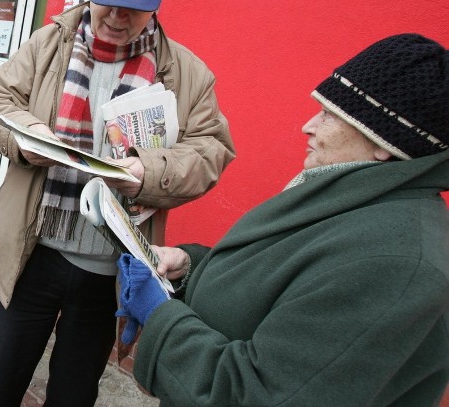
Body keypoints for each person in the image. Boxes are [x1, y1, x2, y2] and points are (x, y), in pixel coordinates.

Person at [0, 0, 236, 406]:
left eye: (132, 8)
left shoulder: (187, 73)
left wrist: (148, 171)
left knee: (73, 394)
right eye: (108, 2)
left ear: (155, 6)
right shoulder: (48, 44)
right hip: (31, 253)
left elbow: (212, 149)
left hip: (109, 270)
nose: (116, 17)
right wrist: (30, 140)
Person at [116, 33, 449, 407]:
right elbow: (285, 277)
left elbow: (258, 395)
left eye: (330, 115)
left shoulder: (397, 264)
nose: (308, 125)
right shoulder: (353, 200)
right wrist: (193, 266)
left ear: (383, 142)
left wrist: (160, 316)